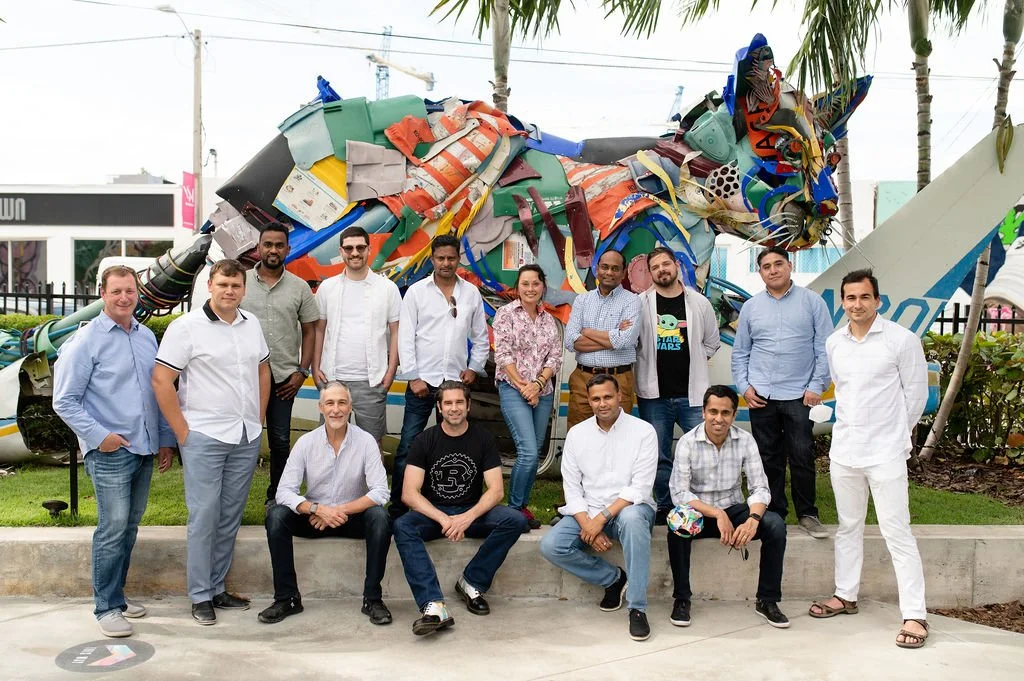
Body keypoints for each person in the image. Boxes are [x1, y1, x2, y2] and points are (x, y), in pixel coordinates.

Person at [52, 265, 177, 638]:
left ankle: (118, 598)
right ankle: (105, 607)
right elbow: (65, 401)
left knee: (129, 527)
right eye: (116, 291)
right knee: (112, 528)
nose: (124, 297)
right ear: (102, 294)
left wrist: (165, 439)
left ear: (137, 293)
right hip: (110, 451)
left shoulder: (145, 338)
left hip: (143, 448)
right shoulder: (86, 341)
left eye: (130, 291)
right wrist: (100, 436)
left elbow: (158, 394)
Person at [809, 269, 930, 649]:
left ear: (878, 300)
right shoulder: (834, 343)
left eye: (864, 297)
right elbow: (844, 392)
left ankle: (915, 614)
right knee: (848, 527)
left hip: (886, 453)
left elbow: (916, 397)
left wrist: (897, 440)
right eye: (850, 298)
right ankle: (845, 595)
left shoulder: (902, 340)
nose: (857, 304)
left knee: (897, 532)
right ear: (842, 302)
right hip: (845, 450)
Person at [152, 259, 271, 626]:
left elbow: (263, 370)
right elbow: (161, 380)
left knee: (228, 516)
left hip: (244, 434)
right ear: (210, 286)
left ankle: (217, 587)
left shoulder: (252, 325)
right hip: (204, 435)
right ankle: (200, 595)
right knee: (204, 516)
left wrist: (259, 417)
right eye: (222, 285)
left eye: (235, 285)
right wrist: (182, 433)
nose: (229, 291)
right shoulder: (186, 327)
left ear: (244, 289)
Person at [392, 380, 526, 636]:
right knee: (402, 526)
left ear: (468, 406)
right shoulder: (424, 440)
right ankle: (433, 606)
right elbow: (409, 494)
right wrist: (443, 518)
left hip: (471, 511)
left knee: (515, 520)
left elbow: (496, 491)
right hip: (434, 513)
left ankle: (471, 581)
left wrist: (466, 518)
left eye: (459, 402)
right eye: (448, 403)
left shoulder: (483, 439)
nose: (454, 408)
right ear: (440, 408)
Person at [260, 381, 393, 626]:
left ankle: (372, 599)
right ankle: (287, 598)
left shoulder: (366, 442)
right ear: (320, 408)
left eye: (342, 403)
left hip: (351, 517)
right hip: (315, 518)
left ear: (350, 407)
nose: (336, 409)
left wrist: (338, 510)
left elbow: (381, 492)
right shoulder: (306, 443)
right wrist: (316, 509)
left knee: (380, 517)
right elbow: (284, 492)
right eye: (330, 403)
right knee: (276, 516)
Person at [539, 374, 657, 642]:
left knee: (634, 519)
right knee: (551, 545)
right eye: (596, 399)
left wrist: (600, 520)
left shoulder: (643, 431)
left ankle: (637, 608)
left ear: (620, 397)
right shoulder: (577, 434)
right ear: (588, 401)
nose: (602, 403)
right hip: (588, 511)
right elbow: (572, 488)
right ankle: (613, 579)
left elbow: (639, 488)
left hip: (630, 510)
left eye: (607, 397)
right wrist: (587, 523)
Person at [666, 385, 789, 629]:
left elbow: (761, 489)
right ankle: (682, 599)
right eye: (713, 412)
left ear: (734, 415)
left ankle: (767, 600)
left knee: (775, 525)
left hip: (734, 508)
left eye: (725, 413)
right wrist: (716, 513)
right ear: (703, 412)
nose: (718, 419)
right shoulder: (688, 442)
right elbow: (679, 493)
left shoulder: (745, 440)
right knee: (676, 525)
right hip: (699, 512)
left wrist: (752, 520)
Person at [731, 245, 833, 538]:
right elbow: (741, 353)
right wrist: (745, 387)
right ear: (760, 272)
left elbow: (824, 349)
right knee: (767, 457)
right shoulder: (751, 307)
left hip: (800, 395)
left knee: (801, 454)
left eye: (778, 264)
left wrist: (816, 386)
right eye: (766, 266)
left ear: (790, 266)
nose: (773, 270)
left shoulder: (812, 303)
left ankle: (808, 513)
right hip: (761, 395)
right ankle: (775, 513)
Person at [392, 234, 488, 516]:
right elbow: (405, 337)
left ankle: (448, 503)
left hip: (455, 387)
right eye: (440, 258)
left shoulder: (470, 293)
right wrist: (413, 376)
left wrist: (473, 367)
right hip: (422, 384)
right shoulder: (417, 292)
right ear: (432, 259)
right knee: (408, 446)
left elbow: (481, 337)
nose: (446, 263)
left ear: (459, 259)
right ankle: (399, 508)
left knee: (454, 448)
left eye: (451, 258)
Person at [635, 247, 721, 524]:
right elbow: (633, 343)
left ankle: (703, 504)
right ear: (650, 274)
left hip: (692, 395)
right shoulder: (641, 304)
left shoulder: (699, 303)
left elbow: (711, 341)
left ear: (676, 266)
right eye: (655, 267)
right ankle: (664, 505)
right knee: (659, 454)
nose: (662, 270)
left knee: (702, 450)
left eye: (666, 264)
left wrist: (694, 358)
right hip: (654, 396)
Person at [241, 222, 319, 505]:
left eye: (279, 245)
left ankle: (277, 497)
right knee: (241, 441)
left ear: (288, 248)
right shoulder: (242, 282)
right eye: (268, 244)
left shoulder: (300, 288)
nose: (273, 250)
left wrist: (302, 371)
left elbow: (310, 330)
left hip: (284, 379)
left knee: (280, 442)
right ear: (259, 248)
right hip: (245, 378)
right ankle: (233, 499)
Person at [311, 225, 401, 447]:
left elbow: (397, 331)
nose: (355, 253)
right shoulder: (327, 288)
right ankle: (331, 483)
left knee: (371, 443)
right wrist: (315, 367)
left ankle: (372, 484)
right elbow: (319, 329)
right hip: (332, 377)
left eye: (360, 247)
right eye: (349, 248)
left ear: (369, 249)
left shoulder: (387, 288)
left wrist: (390, 372)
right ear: (341, 251)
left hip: (372, 380)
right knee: (331, 441)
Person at [492, 264, 562, 531]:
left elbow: (554, 356)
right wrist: (524, 386)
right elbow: (503, 354)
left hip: (541, 392)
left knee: (536, 451)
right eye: (525, 284)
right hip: (513, 388)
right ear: (517, 288)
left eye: (535, 283)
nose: (531, 289)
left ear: (542, 285)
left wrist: (538, 384)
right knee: (529, 453)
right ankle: (514, 509)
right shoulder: (506, 314)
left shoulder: (549, 320)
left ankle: (522, 507)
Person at [563, 250, 641, 430]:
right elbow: (570, 342)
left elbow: (625, 341)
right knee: (580, 435)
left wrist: (586, 331)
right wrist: (613, 334)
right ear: (596, 269)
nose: (609, 272)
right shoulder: (582, 300)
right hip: (583, 379)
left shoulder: (632, 301)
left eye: (615, 268)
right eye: (605, 267)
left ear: (623, 272)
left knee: (618, 437)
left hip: (619, 379)